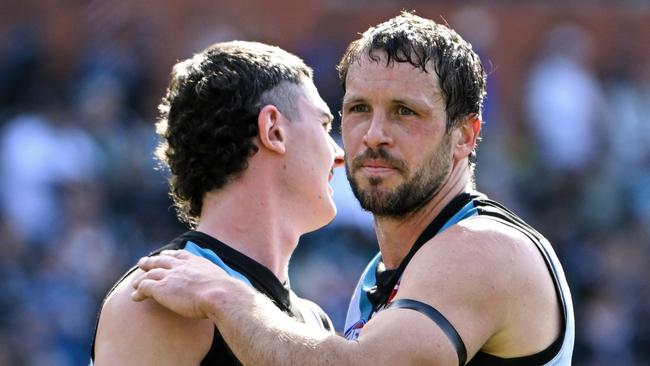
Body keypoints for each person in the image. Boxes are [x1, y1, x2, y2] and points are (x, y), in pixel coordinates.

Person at [132, 12, 575, 365]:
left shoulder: (482, 248)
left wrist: (222, 294)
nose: (374, 134)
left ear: (465, 136)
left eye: (405, 112)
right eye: (359, 109)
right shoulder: (380, 274)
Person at [90, 40, 344, 365]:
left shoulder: (315, 322)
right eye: (324, 126)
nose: (339, 155)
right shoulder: (158, 299)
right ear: (273, 130)